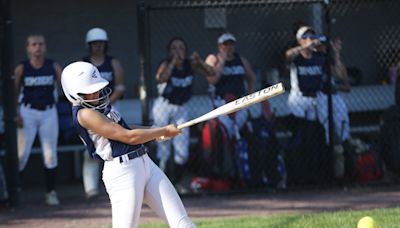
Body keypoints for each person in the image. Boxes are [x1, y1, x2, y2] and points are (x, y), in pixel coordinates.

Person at [61, 61, 196, 228]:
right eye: (89, 91)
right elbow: (127, 136)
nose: (96, 93)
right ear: (75, 94)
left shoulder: (97, 105)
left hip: (145, 162)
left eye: (96, 88)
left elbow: (125, 127)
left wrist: (155, 130)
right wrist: (161, 132)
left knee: (183, 223)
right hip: (122, 172)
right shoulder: (85, 114)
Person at [152, 37, 214, 192]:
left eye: (181, 48)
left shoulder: (190, 65)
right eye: (174, 48)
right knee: (163, 146)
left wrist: (199, 61)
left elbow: (211, 73)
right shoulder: (166, 64)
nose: (178, 51)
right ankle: (160, 185)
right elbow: (160, 78)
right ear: (169, 51)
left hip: (181, 108)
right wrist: (173, 62)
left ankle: (176, 183)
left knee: (182, 150)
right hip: (164, 106)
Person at [14, 34, 62, 206]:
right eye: (33, 44)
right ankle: (15, 192)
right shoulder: (21, 68)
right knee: (21, 155)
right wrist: (15, 113)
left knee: (50, 155)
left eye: (41, 44)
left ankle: (51, 192)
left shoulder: (53, 66)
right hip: (27, 112)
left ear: (45, 46)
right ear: (27, 48)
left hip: (49, 112)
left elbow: (66, 87)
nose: (38, 47)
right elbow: (12, 92)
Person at [81, 27, 126, 199]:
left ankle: (116, 186)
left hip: (110, 106)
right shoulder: (84, 63)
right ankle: (91, 189)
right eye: (94, 44)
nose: (97, 47)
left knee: (114, 144)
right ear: (89, 45)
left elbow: (120, 87)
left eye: (100, 43)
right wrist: (94, 105)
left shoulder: (113, 62)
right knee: (91, 147)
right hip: (89, 109)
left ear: (105, 44)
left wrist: (105, 103)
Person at [205, 32, 256, 138]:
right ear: (219, 46)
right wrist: (222, 60)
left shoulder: (241, 60)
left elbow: (252, 78)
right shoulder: (213, 59)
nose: (228, 47)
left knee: (240, 131)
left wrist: (250, 96)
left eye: (231, 44)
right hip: (220, 101)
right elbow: (212, 80)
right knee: (225, 132)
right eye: (225, 44)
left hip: (239, 100)